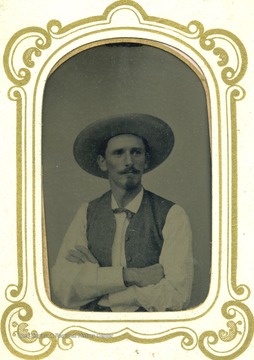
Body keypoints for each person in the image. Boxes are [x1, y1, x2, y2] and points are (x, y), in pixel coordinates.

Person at [51, 113, 193, 312]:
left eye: (136, 153)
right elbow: (64, 287)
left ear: (146, 160)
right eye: (118, 153)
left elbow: (177, 296)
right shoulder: (87, 212)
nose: (129, 162)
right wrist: (135, 276)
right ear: (103, 162)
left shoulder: (172, 214)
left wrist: (100, 283)